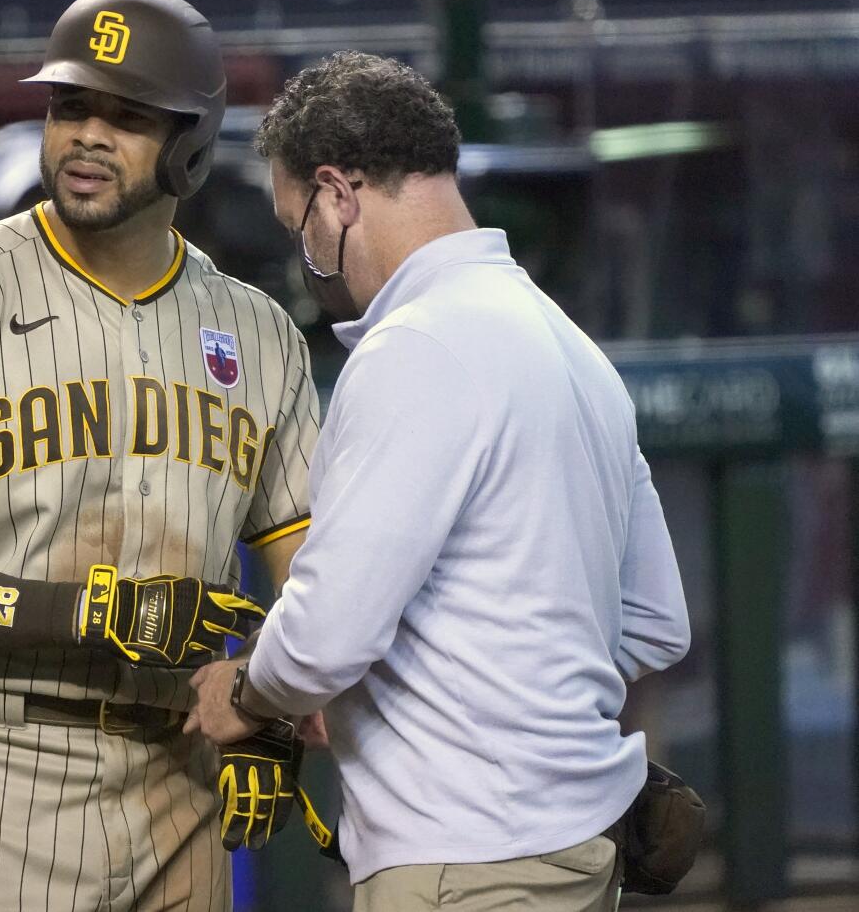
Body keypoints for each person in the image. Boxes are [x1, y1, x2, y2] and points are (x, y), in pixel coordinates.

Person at [0, 0, 318, 911]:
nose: (87, 134)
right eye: (68, 105)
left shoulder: (259, 336)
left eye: (128, 116)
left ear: (192, 145)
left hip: (179, 781)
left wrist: (267, 705)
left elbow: (313, 579)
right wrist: (88, 614)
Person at [187, 52, 692, 911]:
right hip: (579, 852)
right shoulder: (573, 348)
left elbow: (327, 638)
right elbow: (656, 622)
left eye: (297, 221)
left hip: (464, 865)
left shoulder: (414, 347)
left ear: (339, 193)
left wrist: (244, 689)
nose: (304, 252)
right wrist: (499, 692)